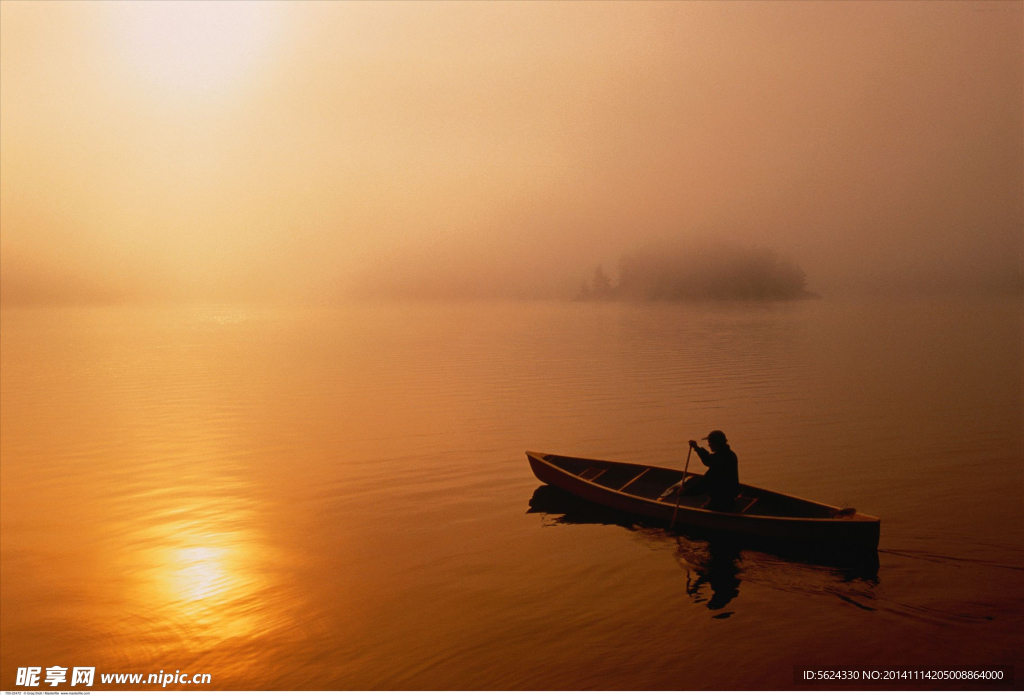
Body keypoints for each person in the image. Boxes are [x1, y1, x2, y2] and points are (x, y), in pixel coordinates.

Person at [686, 430, 739, 510]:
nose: (708, 444)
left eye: (710, 442)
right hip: (730, 496)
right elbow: (708, 460)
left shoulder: (720, 459)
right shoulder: (729, 454)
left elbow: (705, 484)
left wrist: (685, 492)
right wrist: (696, 448)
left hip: (721, 500)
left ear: (716, 443)